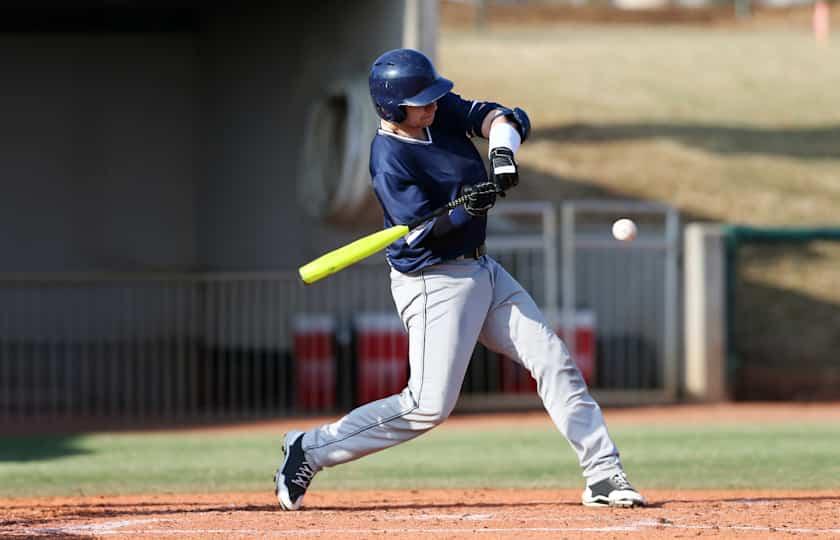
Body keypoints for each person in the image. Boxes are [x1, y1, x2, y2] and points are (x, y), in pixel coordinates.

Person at [275, 48, 645, 510]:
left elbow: (497, 117)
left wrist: (503, 155)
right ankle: (309, 448)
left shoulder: (437, 112)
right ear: (392, 108)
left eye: (432, 99)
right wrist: (465, 206)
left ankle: (603, 474)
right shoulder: (389, 159)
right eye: (420, 102)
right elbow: (419, 234)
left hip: (482, 269)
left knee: (553, 359)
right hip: (434, 281)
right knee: (427, 406)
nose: (431, 107)